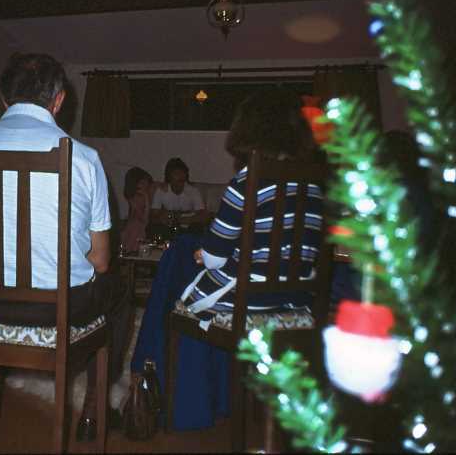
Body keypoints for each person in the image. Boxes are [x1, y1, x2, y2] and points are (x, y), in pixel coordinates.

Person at [0, 53, 131, 441]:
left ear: (3, 98)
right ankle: (92, 414)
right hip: (55, 310)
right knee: (120, 289)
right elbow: (101, 261)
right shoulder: (84, 158)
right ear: (59, 100)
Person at [130, 92, 324, 431]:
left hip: (248, 303)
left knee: (181, 303)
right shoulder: (315, 184)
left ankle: (184, 409)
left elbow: (216, 256)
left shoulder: (248, 179)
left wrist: (203, 253)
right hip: (297, 303)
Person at [150, 157, 209, 230]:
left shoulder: (193, 191)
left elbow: (203, 215)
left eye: (183, 173)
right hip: (167, 227)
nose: (180, 176)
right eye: (176, 173)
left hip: (188, 227)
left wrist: (180, 220)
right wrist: (163, 218)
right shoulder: (161, 191)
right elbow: (153, 216)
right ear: (169, 176)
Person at [120, 166, 153, 253]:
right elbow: (143, 219)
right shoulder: (136, 198)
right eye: (142, 182)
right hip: (135, 230)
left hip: (137, 228)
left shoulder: (142, 195)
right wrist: (147, 199)